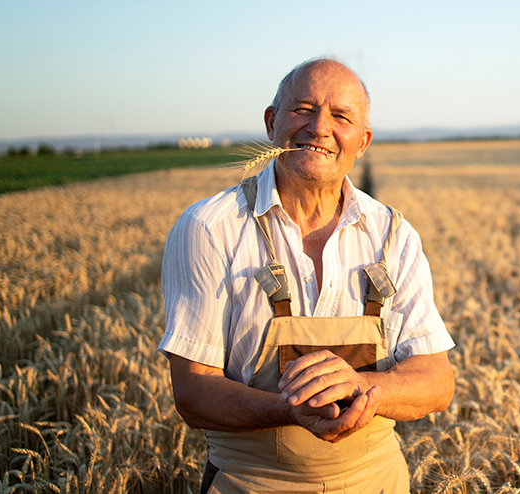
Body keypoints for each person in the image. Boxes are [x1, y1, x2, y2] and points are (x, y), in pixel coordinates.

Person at [158, 57, 455, 493]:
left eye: (341, 116)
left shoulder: (394, 236)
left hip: (376, 482)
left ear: (363, 141)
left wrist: (363, 387)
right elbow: (193, 393)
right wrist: (289, 409)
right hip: (250, 483)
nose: (320, 127)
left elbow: (436, 381)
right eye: (303, 109)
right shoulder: (209, 228)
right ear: (271, 122)